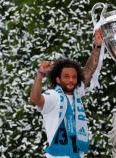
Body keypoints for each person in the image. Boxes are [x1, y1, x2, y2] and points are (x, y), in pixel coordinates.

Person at [29, 30, 103, 158]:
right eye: (66, 76)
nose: (71, 80)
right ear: (58, 79)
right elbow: (35, 98)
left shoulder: (76, 94)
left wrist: (97, 47)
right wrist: (40, 74)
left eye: (74, 77)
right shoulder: (53, 96)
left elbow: (90, 69)